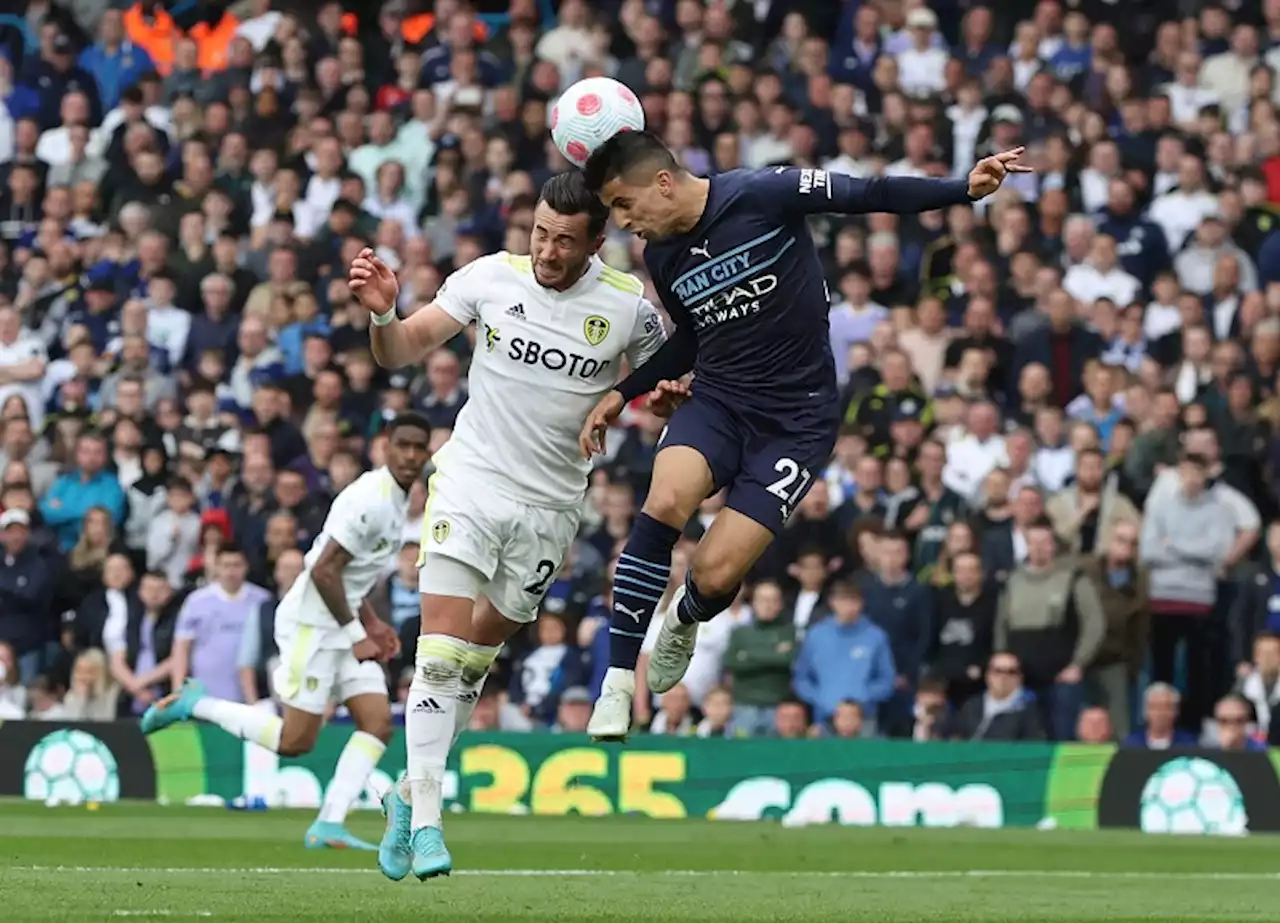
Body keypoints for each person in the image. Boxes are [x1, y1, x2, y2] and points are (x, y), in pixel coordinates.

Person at [575, 130, 1029, 740]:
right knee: (663, 502)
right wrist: (623, 391)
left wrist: (960, 189)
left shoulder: (766, 192)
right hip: (720, 401)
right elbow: (689, 335)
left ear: (662, 181)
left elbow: (868, 193)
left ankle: (685, 616)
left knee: (713, 574)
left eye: (625, 205)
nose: (625, 223)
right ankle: (617, 682)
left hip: (797, 421)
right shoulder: (663, 256)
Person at [347, 171, 668, 880]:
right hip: (468, 482)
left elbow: (665, 388)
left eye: (565, 241)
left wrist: (657, 397)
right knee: (438, 652)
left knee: (471, 663)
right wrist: (381, 316)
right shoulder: (489, 278)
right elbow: (401, 349)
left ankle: (406, 793)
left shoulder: (627, 309)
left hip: (551, 509)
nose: (549, 251)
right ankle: (430, 821)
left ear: (597, 242)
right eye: (540, 234)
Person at [140, 415, 430, 851]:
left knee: (376, 722)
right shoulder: (370, 499)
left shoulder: (397, 502)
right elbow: (323, 572)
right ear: (384, 446)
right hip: (312, 625)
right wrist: (357, 633)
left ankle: (329, 823)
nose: (410, 455)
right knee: (295, 741)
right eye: (403, 445)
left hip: (341, 619)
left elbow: (348, 576)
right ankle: (195, 703)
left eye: (418, 448)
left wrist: (371, 622)